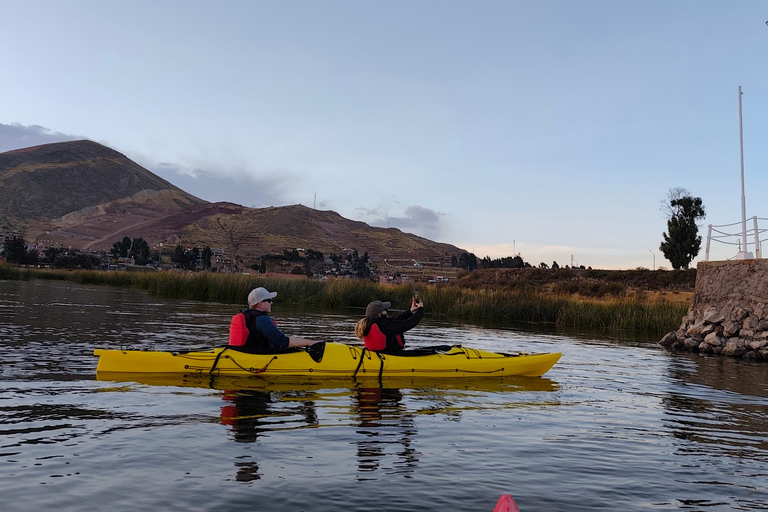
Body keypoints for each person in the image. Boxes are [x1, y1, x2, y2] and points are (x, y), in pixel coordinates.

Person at [229, 287, 316, 353]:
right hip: (256, 356)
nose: (271, 303)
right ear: (261, 304)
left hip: (248, 352)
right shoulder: (262, 320)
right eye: (269, 300)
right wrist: (309, 342)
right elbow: (282, 342)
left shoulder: (250, 317)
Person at [354, 296, 424, 354]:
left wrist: (410, 311)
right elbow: (409, 323)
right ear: (380, 314)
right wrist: (421, 309)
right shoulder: (385, 326)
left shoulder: (370, 323)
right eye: (385, 310)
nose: (386, 311)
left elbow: (395, 319)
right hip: (390, 355)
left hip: (378, 354)